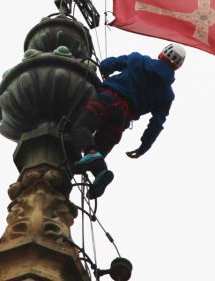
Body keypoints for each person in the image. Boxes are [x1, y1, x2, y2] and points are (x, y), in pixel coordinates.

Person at [70, 43, 186, 199]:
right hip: (123, 119)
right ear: (177, 67)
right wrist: (143, 147)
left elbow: (106, 65)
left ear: (161, 54)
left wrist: (106, 72)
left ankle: (91, 155)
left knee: (81, 127)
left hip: (107, 100)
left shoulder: (138, 59)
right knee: (98, 152)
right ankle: (100, 173)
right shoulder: (167, 94)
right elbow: (156, 123)